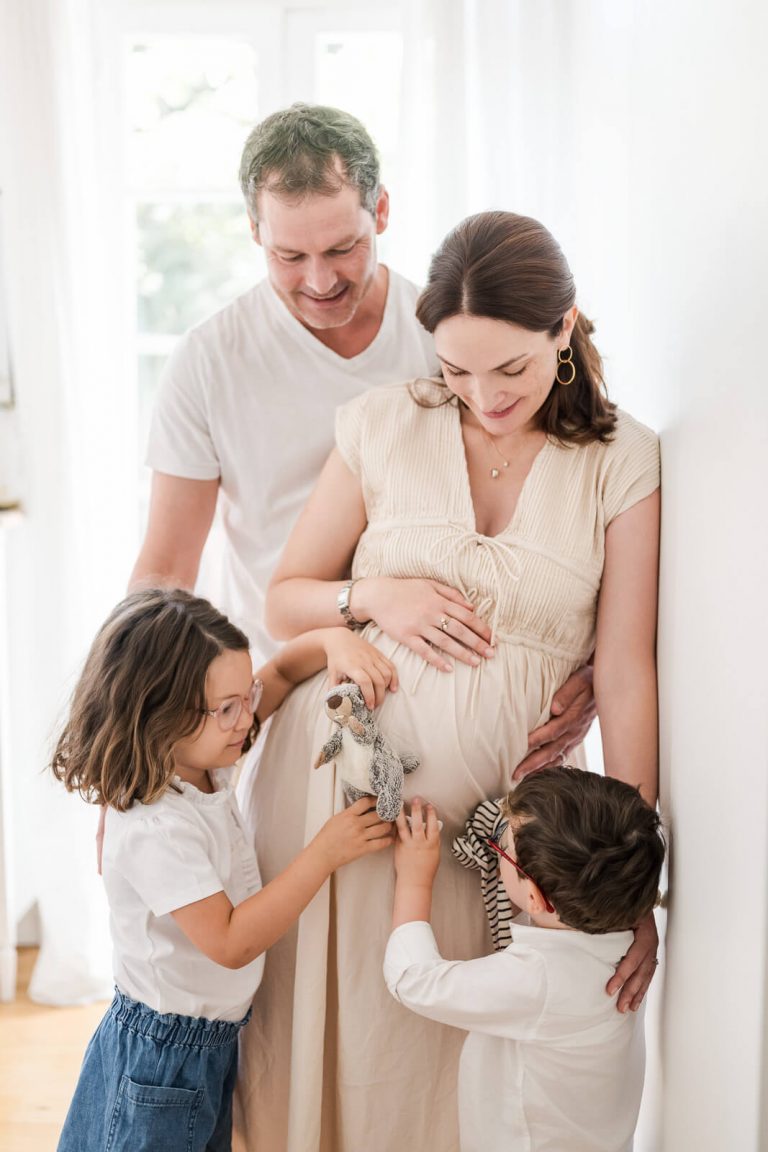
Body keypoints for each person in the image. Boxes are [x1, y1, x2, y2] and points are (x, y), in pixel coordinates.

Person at [235, 211, 661, 1151]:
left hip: (489, 828)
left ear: (563, 329)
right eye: (457, 370)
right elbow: (285, 599)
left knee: (437, 1065)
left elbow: (628, 670)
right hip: (329, 792)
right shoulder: (385, 423)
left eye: (509, 368)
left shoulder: (622, 460)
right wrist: (373, 595)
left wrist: (630, 888)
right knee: (328, 1039)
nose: (482, 395)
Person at [129, 102, 595, 777]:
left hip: (468, 718)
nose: (320, 281)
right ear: (254, 231)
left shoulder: (451, 339)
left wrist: (591, 671)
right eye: (289, 256)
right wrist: (131, 755)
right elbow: (166, 572)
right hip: (281, 703)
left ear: (381, 211)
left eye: (342, 248)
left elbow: (561, 510)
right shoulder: (209, 363)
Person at [50, 587, 396, 1152]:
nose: (246, 718)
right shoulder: (156, 825)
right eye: (227, 708)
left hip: (204, 1045)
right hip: (163, 1060)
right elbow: (230, 941)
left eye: (246, 698)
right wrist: (324, 853)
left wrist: (334, 641)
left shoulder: (202, 758)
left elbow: (280, 671)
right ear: (158, 714)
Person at [385, 774, 665, 1152]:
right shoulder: (624, 929)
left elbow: (413, 980)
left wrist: (415, 880)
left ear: (534, 896)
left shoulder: (539, 978)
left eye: (501, 847)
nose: (498, 841)